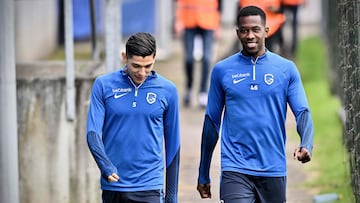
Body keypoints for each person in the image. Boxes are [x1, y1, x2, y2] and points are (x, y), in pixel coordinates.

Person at [197, 6, 314, 202]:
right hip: (235, 168)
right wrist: (203, 172)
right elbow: (211, 123)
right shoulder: (222, 71)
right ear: (237, 33)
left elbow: (302, 111)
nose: (250, 35)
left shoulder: (286, 70)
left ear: (266, 31)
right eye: (244, 30)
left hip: (272, 168)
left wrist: (306, 144)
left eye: (256, 29)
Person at [86, 32, 180, 203]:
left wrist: (172, 196)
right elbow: (92, 133)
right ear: (124, 57)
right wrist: (105, 165)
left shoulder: (168, 90)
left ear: (155, 58)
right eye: (136, 66)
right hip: (114, 185)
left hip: (150, 185)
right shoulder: (103, 85)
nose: (142, 72)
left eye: (148, 66)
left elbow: (173, 145)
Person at [174, 0, 222, 108]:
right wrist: (178, 20)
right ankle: (189, 88)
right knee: (189, 58)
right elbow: (178, 3)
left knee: (206, 58)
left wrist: (218, 26)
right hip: (188, 21)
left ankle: (203, 92)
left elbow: (219, 5)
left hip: (208, 21)